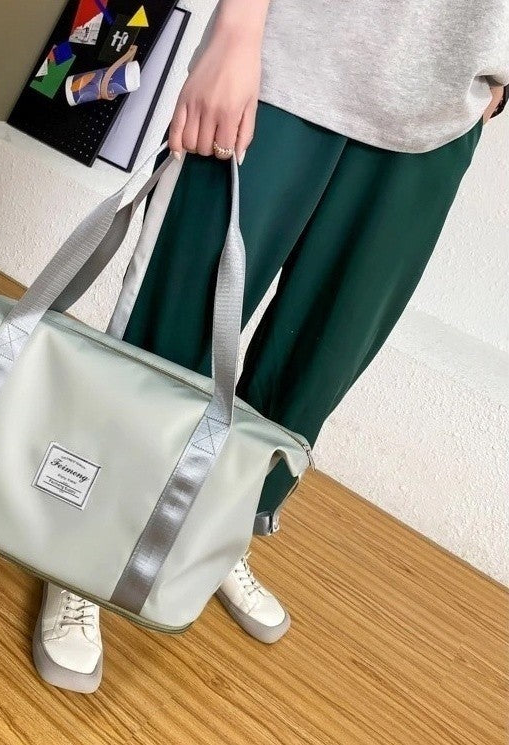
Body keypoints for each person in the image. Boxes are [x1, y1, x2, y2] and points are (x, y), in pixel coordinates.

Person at [32, 0, 509, 693]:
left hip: (443, 106)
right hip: (290, 56)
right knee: (180, 316)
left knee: (318, 356)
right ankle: (86, 542)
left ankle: (215, 529)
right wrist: (236, 32)